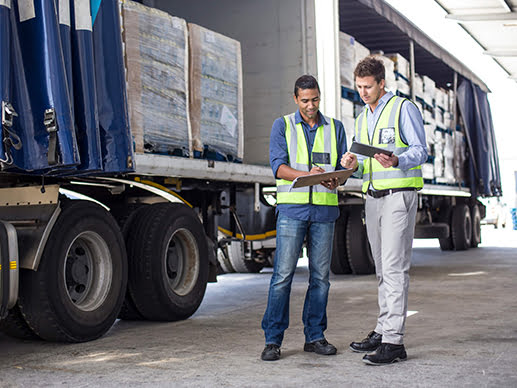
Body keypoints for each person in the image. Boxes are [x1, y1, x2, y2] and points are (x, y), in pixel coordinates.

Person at [341, 56, 427, 365]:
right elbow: (363, 158)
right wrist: (351, 163)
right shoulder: (363, 116)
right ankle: (382, 328)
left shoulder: (403, 108)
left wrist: (398, 160)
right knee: (382, 268)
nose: (362, 92)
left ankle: (394, 341)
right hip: (373, 198)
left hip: (398, 196)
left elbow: (421, 150)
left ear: (382, 84)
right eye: (359, 87)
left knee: (394, 267)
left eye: (368, 87)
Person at [261, 75, 348, 361]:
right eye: (305, 100)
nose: (311, 106)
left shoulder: (335, 127)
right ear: (295, 98)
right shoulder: (282, 125)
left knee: (321, 278)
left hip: (324, 211)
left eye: (315, 100)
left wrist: (337, 178)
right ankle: (273, 340)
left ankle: (315, 336)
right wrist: (306, 176)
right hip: (292, 211)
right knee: (282, 277)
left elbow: (339, 170)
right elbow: (278, 167)